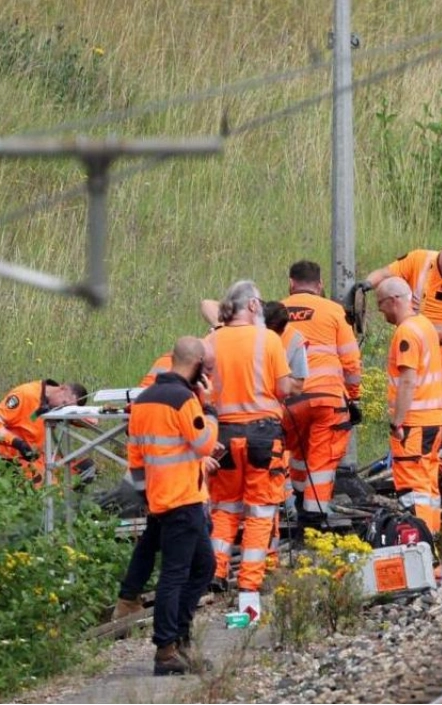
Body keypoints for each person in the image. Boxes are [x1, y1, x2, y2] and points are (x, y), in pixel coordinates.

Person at [125, 336, 220, 675]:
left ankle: (179, 637)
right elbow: (204, 444)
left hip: (163, 500)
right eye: (205, 368)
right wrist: (208, 408)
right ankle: (166, 650)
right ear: (195, 366)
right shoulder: (185, 400)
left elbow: (134, 457)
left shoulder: (144, 399)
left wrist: (146, 496)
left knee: (203, 567)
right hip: (183, 500)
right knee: (177, 575)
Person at [204, 280, 296, 618]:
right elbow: (283, 388)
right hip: (262, 435)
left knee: (225, 507)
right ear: (254, 306)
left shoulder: (211, 341)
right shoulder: (268, 339)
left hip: (224, 435)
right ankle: (249, 582)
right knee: (259, 511)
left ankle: (214, 572)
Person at [364, 232, 442, 454]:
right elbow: (384, 274)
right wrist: (363, 286)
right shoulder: (418, 260)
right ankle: (418, 450)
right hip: (418, 348)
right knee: (414, 402)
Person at [281, 260, 363, 519]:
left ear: (291, 283)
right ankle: (314, 516)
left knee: (295, 452)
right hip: (327, 400)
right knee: (321, 459)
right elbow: (350, 361)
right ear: (320, 285)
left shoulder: (277, 312)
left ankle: (294, 499)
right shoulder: (333, 311)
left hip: (289, 400)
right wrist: (353, 398)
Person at [376, 277, 442, 534]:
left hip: (414, 423)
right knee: (428, 487)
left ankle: (419, 545)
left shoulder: (406, 332)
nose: (379, 310)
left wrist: (398, 421)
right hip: (433, 420)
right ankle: (433, 539)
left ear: (394, 301)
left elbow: (407, 380)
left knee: (413, 489)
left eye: (380, 303)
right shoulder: (425, 326)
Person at [0, 379, 88, 485]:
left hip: (35, 457)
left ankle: (79, 498)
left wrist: (85, 414)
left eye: (66, 408)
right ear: (62, 389)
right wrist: (16, 442)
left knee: (83, 468)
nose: (62, 408)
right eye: (64, 403)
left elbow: (92, 421)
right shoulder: (26, 394)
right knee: (46, 486)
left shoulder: (55, 405)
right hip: (10, 458)